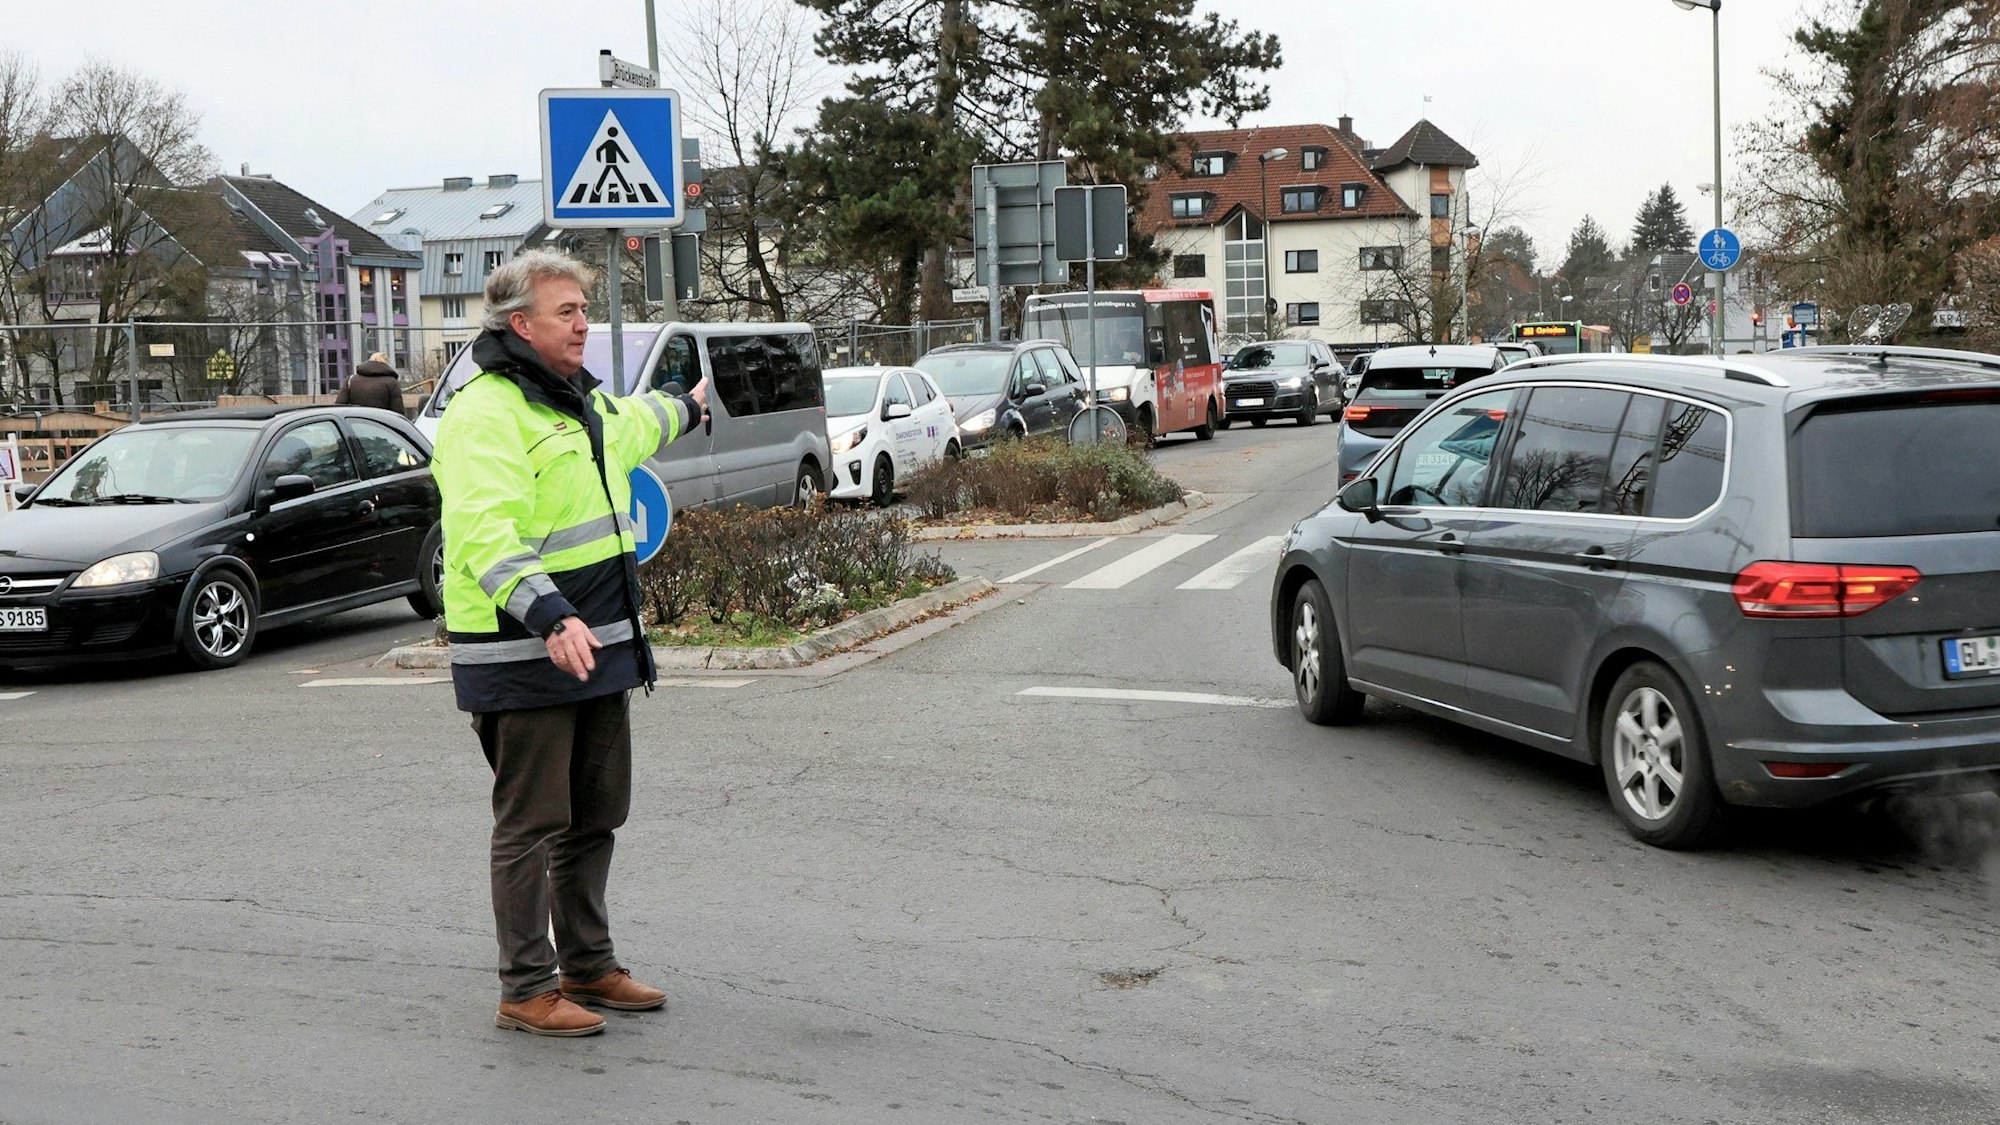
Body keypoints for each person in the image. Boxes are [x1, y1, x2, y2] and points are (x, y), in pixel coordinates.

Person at [430, 250, 709, 1038]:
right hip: (525, 654)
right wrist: (549, 615)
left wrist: (687, 406)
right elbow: (485, 533)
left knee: (596, 813)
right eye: (568, 311)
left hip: (601, 649)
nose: (584, 322)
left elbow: (637, 425)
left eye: (585, 308)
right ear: (521, 324)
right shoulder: (486, 413)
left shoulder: (579, 400)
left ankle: (587, 963)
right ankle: (526, 986)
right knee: (532, 822)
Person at [335, 352, 406, 414]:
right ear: (386, 363)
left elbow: (339, 406)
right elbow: (398, 410)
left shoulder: (351, 380)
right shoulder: (391, 382)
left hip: (356, 422)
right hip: (381, 422)